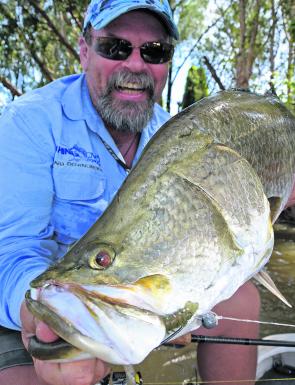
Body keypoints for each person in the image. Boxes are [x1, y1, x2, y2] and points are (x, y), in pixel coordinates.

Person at [0, 1, 290, 385]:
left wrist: (184, 304)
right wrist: (38, 314)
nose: (135, 65)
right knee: (65, 369)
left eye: (154, 51)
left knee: (243, 301)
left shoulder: (177, 136)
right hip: (35, 302)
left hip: (129, 297)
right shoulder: (28, 123)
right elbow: (13, 248)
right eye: (115, 47)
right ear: (84, 50)